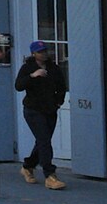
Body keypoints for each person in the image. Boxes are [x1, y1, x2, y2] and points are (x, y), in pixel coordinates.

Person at [13, 39, 67, 189]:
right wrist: (33, 76)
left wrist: (58, 102)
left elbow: (62, 86)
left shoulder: (53, 68)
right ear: (33, 53)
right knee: (44, 141)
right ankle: (50, 176)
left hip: (50, 109)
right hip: (33, 110)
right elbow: (18, 86)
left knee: (43, 141)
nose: (44, 54)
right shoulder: (27, 68)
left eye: (45, 51)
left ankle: (27, 166)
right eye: (40, 52)